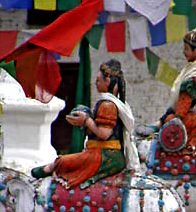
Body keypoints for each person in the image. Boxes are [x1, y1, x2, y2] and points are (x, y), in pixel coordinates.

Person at [32, 59, 140, 188]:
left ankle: (51, 168)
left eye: (99, 79)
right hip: (102, 152)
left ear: (108, 81)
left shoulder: (107, 105)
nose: (96, 82)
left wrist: (86, 121)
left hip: (105, 156)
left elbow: (105, 134)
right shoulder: (112, 103)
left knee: (63, 161)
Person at [136, 25, 196, 150]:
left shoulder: (195, 77)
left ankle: (159, 125)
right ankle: (159, 123)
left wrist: (175, 119)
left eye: (186, 49)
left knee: (170, 120)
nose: (184, 52)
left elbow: (184, 103)